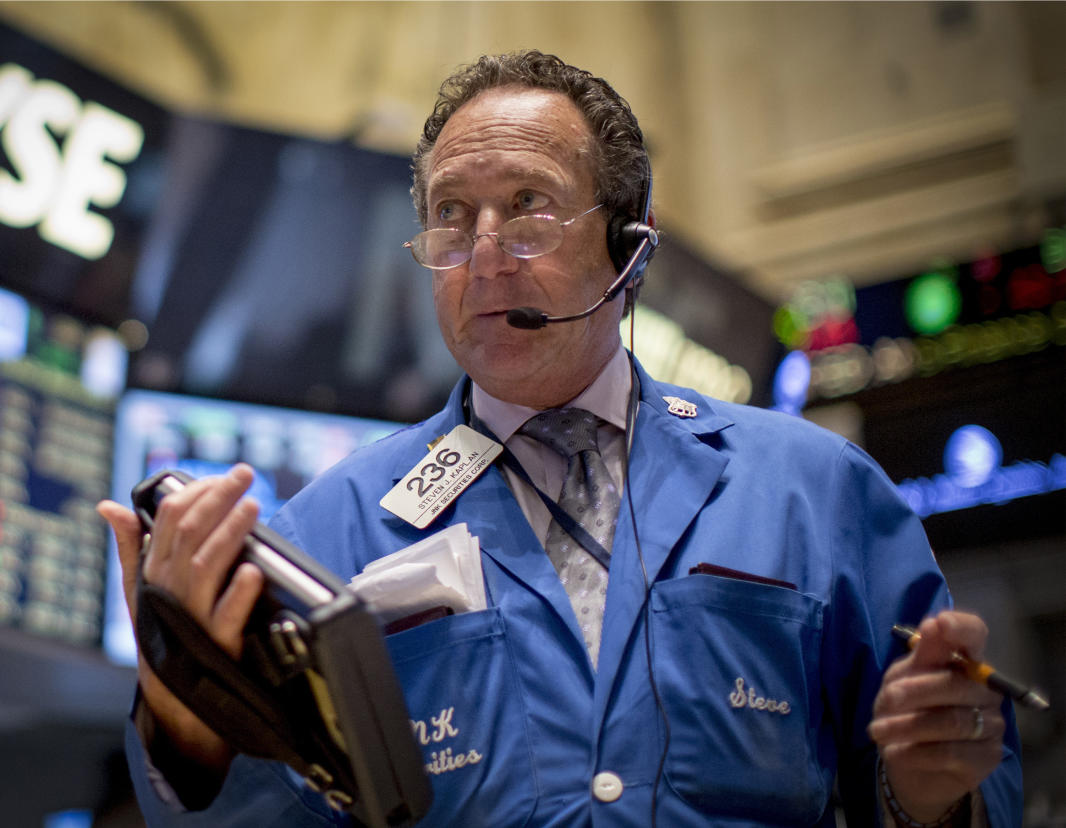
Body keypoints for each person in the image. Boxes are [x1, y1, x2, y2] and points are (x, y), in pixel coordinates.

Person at [99, 51, 1022, 826]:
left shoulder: (812, 489)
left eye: (529, 205)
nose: (485, 252)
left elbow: (962, 775)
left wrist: (933, 799)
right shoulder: (325, 531)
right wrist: (190, 724)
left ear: (630, 248)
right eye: (451, 216)